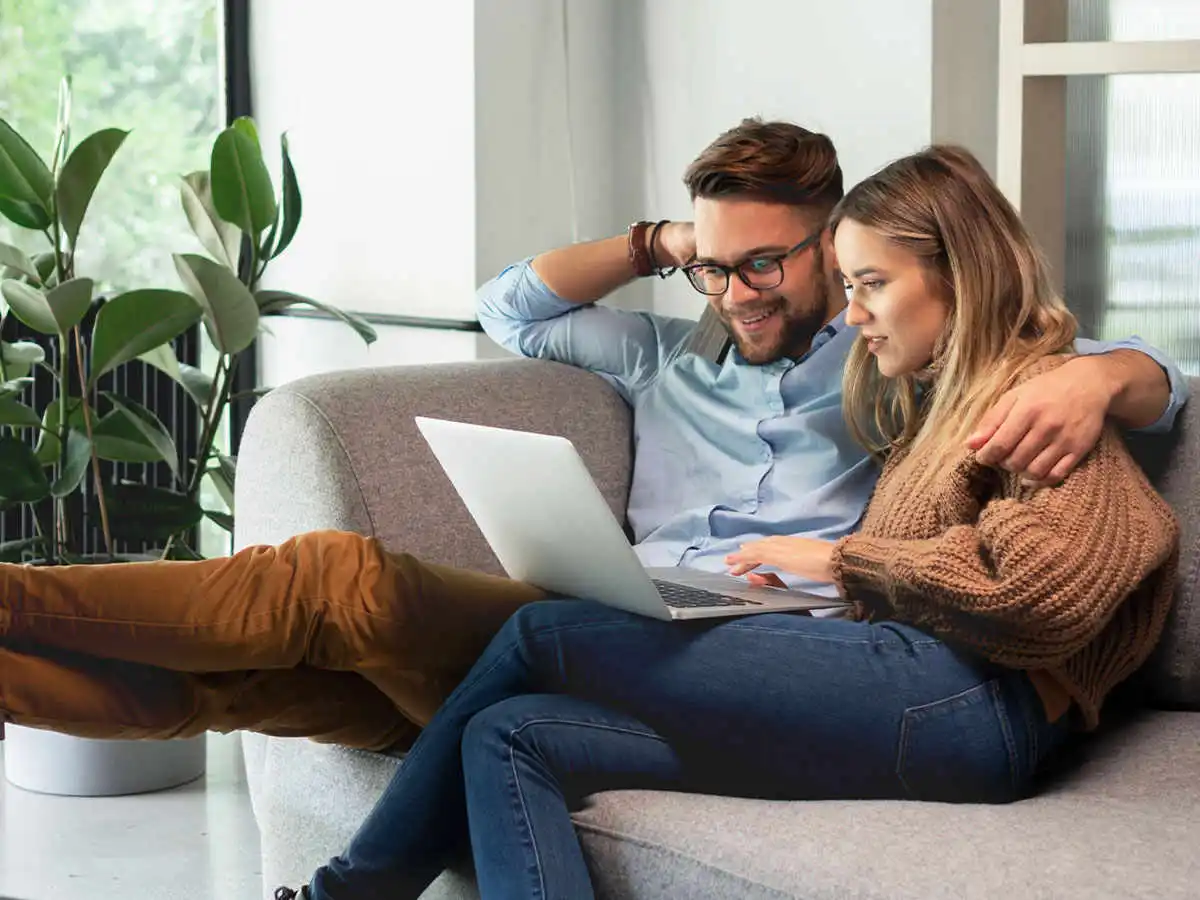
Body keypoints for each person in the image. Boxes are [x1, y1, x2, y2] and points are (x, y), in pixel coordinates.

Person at [0, 121, 1186, 753]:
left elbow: (1111, 377)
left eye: (769, 261)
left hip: (764, 643)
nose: (743, 293)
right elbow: (506, 304)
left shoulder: (894, 366)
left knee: (334, 583)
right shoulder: (669, 351)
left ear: (836, 247)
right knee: (263, 686)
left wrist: (1111, 377)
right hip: (622, 604)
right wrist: (669, 245)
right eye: (719, 267)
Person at [274, 144, 1180, 900]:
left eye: (870, 284)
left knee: (542, 630)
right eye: (848, 282)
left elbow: (1043, 593)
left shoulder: (1040, 402)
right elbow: (511, 305)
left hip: (976, 708)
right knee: (509, 734)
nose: (852, 312)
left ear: (960, 278)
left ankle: (348, 893)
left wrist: (849, 565)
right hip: (909, 692)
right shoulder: (936, 397)